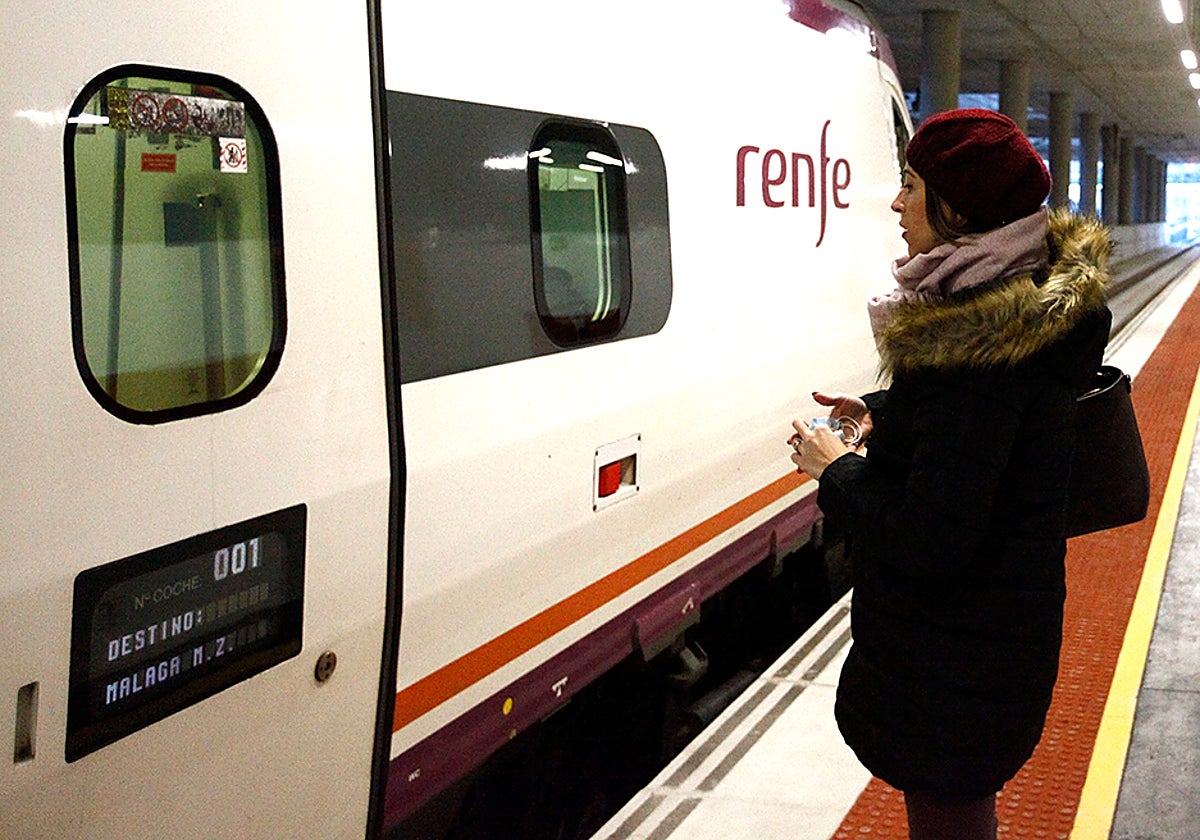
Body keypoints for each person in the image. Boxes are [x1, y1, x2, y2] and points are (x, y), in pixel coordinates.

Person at [788, 108, 1112, 840]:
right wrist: (882, 413)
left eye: (910, 186)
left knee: (948, 817)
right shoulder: (1010, 316)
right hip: (986, 646)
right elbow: (980, 439)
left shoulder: (978, 347)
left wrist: (836, 469)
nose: (895, 203)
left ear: (959, 209)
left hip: (954, 664)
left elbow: (929, 539)